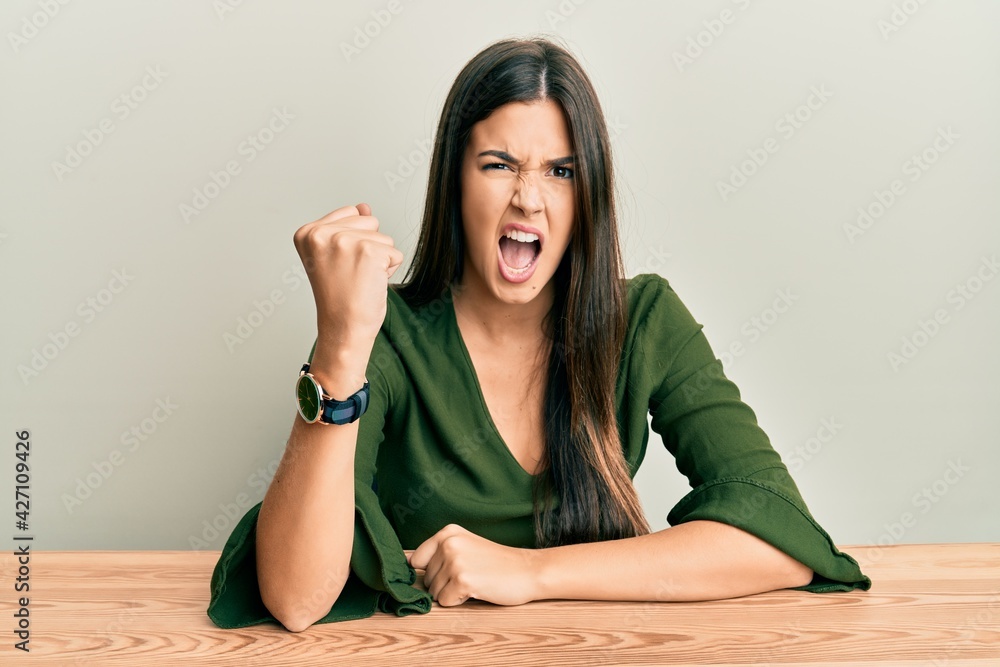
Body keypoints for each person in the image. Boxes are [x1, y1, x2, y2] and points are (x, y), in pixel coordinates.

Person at [207, 37, 871, 633]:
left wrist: (527, 573)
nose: (529, 197)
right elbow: (296, 598)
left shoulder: (644, 319)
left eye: (561, 171)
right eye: (499, 164)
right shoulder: (393, 338)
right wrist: (339, 347)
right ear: (453, 181)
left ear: (589, 196)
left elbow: (779, 539)